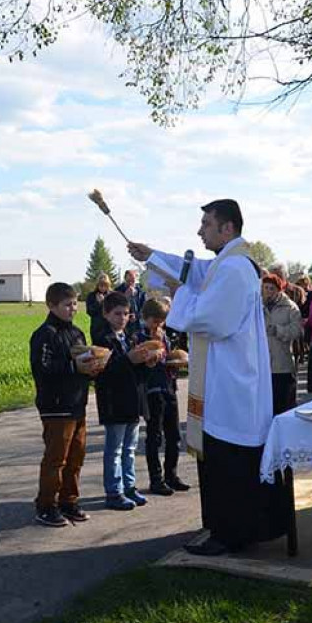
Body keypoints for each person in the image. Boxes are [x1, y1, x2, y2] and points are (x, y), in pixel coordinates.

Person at [128, 198, 287, 557]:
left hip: (231, 384)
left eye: (206, 224)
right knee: (223, 456)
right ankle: (230, 528)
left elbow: (210, 319)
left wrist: (179, 296)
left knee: (228, 459)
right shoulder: (226, 264)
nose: (199, 230)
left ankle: (230, 533)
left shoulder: (233, 269)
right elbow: (194, 272)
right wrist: (152, 255)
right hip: (227, 379)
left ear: (227, 228)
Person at [30, 282, 98, 527]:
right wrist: (73, 367)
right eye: (67, 305)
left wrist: (93, 368)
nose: (73, 309)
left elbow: (83, 363)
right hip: (56, 405)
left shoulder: (77, 332)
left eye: (75, 304)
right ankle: (46, 505)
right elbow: (42, 368)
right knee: (56, 459)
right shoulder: (45, 334)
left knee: (76, 456)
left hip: (77, 403)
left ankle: (69, 501)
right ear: (51, 305)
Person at [93, 291, 151, 509]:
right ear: (106, 314)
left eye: (126, 314)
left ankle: (129, 486)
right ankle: (113, 491)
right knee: (114, 449)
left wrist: (147, 363)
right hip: (114, 400)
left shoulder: (130, 337)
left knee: (130, 448)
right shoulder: (102, 339)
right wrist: (128, 359)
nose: (122, 318)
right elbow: (105, 371)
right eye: (117, 314)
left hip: (132, 400)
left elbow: (136, 372)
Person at [136, 298, 189, 496]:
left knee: (174, 435)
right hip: (152, 390)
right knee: (154, 437)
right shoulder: (140, 337)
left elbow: (167, 359)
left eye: (162, 321)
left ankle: (171, 475)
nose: (158, 325)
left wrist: (174, 361)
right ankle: (156, 479)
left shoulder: (165, 336)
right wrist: (152, 352)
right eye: (155, 321)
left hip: (168, 387)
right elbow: (141, 362)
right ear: (146, 319)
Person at [262, 274, 303, 415]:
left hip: (283, 365)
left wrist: (278, 330)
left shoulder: (290, 307)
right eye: (265, 288)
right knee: (266, 409)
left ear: (279, 290)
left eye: (271, 288)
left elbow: (297, 330)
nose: (268, 291)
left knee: (285, 407)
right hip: (263, 366)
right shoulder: (257, 307)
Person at [116, 268, 146, 336]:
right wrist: (125, 296)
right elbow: (115, 306)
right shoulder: (118, 290)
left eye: (133, 281)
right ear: (125, 279)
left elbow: (144, 308)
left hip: (137, 325)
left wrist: (136, 316)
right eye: (128, 281)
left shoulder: (141, 292)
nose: (130, 283)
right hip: (122, 324)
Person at [84, 272, 112, 345]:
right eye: (101, 285)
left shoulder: (112, 295)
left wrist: (104, 302)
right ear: (97, 285)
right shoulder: (91, 296)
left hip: (109, 327)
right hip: (97, 327)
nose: (103, 288)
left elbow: (113, 311)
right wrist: (98, 303)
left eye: (105, 285)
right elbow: (89, 312)